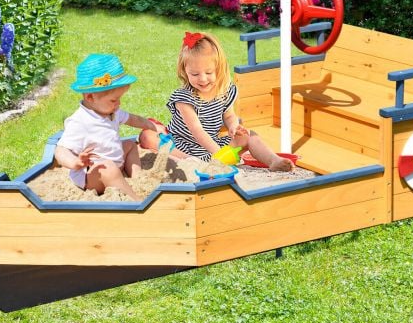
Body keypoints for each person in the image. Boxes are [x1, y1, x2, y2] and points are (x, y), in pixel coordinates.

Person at [140, 31, 294, 171]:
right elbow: (197, 130)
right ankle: (189, 161)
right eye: (194, 74)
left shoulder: (225, 91)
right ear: (185, 71)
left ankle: (273, 160)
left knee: (250, 135)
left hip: (213, 146)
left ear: (218, 68)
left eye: (208, 72)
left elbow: (229, 116)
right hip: (182, 146)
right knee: (147, 136)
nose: (202, 79)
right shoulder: (183, 98)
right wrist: (219, 154)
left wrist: (234, 127)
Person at [54, 53, 162, 201]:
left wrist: (152, 126)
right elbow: (60, 150)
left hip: (114, 164)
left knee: (130, 145)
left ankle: (138, 179)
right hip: (93, 176)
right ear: (90, 97)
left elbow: (133, 119)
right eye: (114, 100)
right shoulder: (80, 121)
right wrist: (75, 162)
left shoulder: (111, 111)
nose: (119, 104)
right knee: (109, 168)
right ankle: (136, 200)